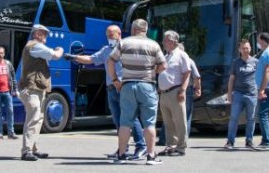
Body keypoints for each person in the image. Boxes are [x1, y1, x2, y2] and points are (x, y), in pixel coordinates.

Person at [64, 25, 147, 159]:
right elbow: (91, 59)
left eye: (111, 35)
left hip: (123, 87)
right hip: (111, 89)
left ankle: (141, 146)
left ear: (119, 34)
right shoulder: (106, 50)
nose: (108, 37)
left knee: (131, 117)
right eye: (107, 35)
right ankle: (123, 148)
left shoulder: (127, 47)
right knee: (118, 120)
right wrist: (74, 57)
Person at [107, 19, 167, 165]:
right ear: (145, 30)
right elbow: (163, 65)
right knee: (149, 123)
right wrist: (153, 71)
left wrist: (115, 80)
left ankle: (121, 155)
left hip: (127, 85)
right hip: (147, 85)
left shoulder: (124, 43)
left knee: (125, 122)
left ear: (133, 29)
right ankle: (151, 156)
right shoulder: (154, 44)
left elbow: (110, 61)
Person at [18, 24, 63, 161]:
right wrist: (60, 49)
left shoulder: (34, 46)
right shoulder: (35, 46)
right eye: (44, 34)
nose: (47, 36)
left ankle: (33, 149)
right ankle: (26, 151)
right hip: (31, 89)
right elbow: (55, 55)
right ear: (37, 34)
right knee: (33, 120)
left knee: (38, 120)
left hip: (37, 89)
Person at [158, 43, 201, 146]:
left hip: (184, 90)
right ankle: (168, 142)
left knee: (183, 117)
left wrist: (197, 88)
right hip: (168, 91)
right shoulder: (167, 57)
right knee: (169, 119)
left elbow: (196, 76)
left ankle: (181, 143)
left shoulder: (187, 60)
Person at [157, 31, 191, 157]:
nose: (163, 42)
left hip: (175, 91)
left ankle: (181, 147)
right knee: (168, 121)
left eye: (165, 40)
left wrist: (182, 90)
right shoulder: (166, 56)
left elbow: (187, 73)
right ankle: (171, 145)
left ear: (173, 41)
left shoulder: (181, 55)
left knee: (180, 121)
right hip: (164, 93)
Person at [225, 39, 258, 150]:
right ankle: (230, 141)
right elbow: (231, 79)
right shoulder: (236, 62)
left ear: (250, 49)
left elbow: (260, 77)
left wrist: (261, 90)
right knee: (234, 118)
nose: (245, 50)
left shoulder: (256, 62)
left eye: (247, 48)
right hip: (238, 94)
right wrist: (229, 93)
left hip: (252, 94)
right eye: (243, 48)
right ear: (239, 50)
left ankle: (249, 141)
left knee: (251, 119)